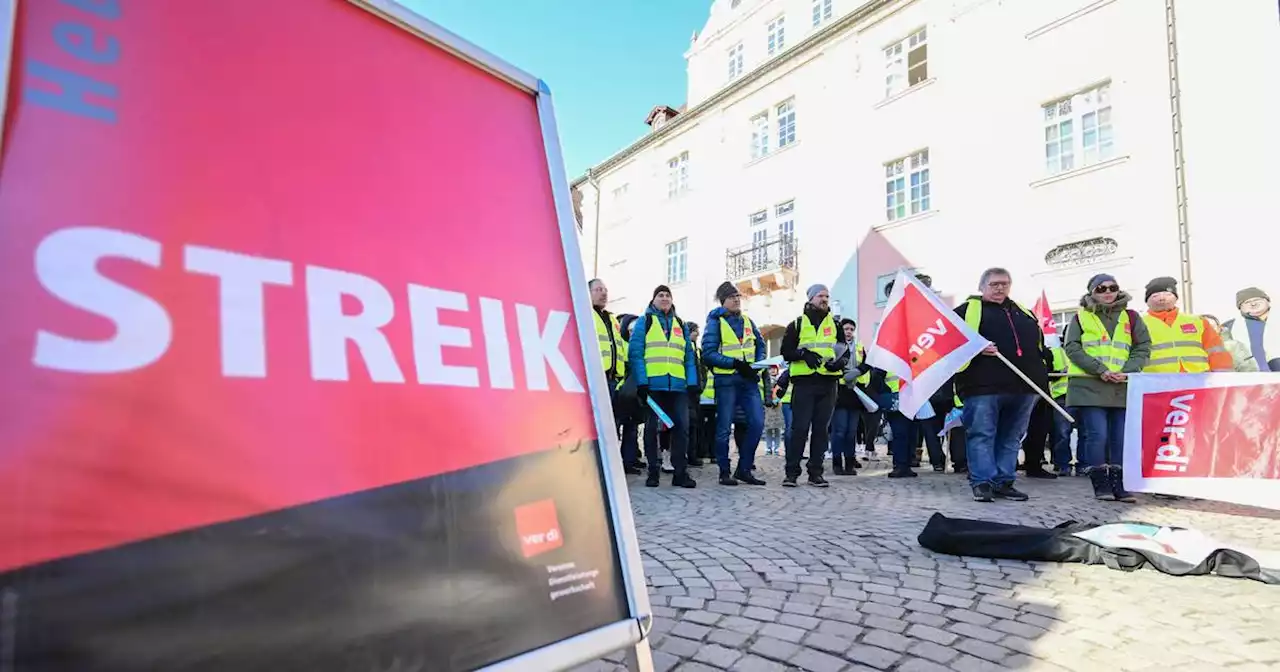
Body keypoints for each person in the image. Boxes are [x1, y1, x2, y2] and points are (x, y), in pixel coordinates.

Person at [955, 268, 1048, 503]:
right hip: (982, 386)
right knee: (982, 435)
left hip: (1024, 387)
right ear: (982, 286)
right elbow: (949, 344)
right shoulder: (965, 312)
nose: (1000, 288)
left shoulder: (1024, 312)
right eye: (994, 284)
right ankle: (982, 482)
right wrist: (975, 348)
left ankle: (1004, 481)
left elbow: (1039, 347)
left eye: (1005, 284)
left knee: (1011, 437)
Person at [1063, 274, 1152, 502]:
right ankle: (1101, 484)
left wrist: (1129, 370)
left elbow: (1142, 346)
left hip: (1122, 383)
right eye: (1101, 289)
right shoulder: (1080, 317)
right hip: (1090, 384)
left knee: (1119, 437)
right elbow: (1072, 348)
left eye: (1112, 287)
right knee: (1097, 435)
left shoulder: (1131, 317)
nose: (1107, 292)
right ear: (1092, 292)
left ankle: (1120, 485)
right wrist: (1100, 369)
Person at [628, 285, 699, 488]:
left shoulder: (680, 324)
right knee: (652, 429)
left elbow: (688, 357)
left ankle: (680, 472)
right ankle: (653, 471)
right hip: (653, 385)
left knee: (682, 429)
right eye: (661, 295)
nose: (665, 298)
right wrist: (642, 382)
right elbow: (636, 353)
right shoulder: (645, 322)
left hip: (677, 386)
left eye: (668, 295)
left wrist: (692, 383)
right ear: (653, 300)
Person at [701, 282, 768, 486]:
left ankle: (744, 469)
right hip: (726, 381)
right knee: (723, 428)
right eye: (732, 297)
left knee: (757, 423)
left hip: (748, 381)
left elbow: (760, 346)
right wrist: (735, 364)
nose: (737, 299)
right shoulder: (715, 322)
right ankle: (724, 471)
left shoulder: (748, 321)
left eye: (738, 296)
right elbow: (708, 354)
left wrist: (757, 366)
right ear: (723, 301)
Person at [780, 284, 845, 487]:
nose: (824, 299)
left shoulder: (836, 325)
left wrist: (839, 363)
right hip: (804, 383)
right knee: (799, 429)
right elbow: (786, 351)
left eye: (827, 296)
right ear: (810, 299)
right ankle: (791, 473)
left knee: (821, 430)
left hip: (828, 382)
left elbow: (844, 352)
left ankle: (815, 473)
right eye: (820, 296)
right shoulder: (796, 324)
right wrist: (803, 354)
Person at [592, 279, 642, 474]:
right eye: (598, 289)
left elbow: (619, 348)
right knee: (600, 426)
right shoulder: (585, 315)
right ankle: (600, 466)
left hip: (614, 380)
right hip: (596, 379)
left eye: (605, 289)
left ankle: (617, 465)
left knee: (615, 424)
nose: (603, 293)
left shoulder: (612, 319)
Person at [1140, 277, 1233, 373]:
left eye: (1168, 294)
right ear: (1147, 301)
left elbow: (1216, 350)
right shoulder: (1139, 324)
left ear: (1176, 298)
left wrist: (1222, 377)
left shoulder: (1197, 321)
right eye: (1155, 296)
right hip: (1156, 382)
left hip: (1199, 379)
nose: (1162, 298)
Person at [830, 318, 870, 475]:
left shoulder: (859, 347)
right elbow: (829, 365)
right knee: (839, 430)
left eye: (851, 329)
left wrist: (858, 371)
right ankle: (837, 462)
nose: (849, 332)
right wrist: (842, 373)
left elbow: (867, 364)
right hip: (839, 391)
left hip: (855, 391)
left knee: (852, 431)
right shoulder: (835, 345)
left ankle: (849, 463)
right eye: (846, 328)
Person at [1222, 287, 1280, 371]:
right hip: (1250, 377)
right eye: (1247, 302)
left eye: (1257, 300)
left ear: (1267, 301)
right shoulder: (1229, 327)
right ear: (1240, 307)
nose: (1253, 304)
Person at [763, 365, 785, 455]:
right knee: (768, 428)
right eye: (770, 368)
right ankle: (768, 448)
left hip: (778, 407)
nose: (772, 370)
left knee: (777, 429)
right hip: (768, 407)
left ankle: (776, 448)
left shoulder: (781, 380)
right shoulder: (766, 379)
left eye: (774, 368)